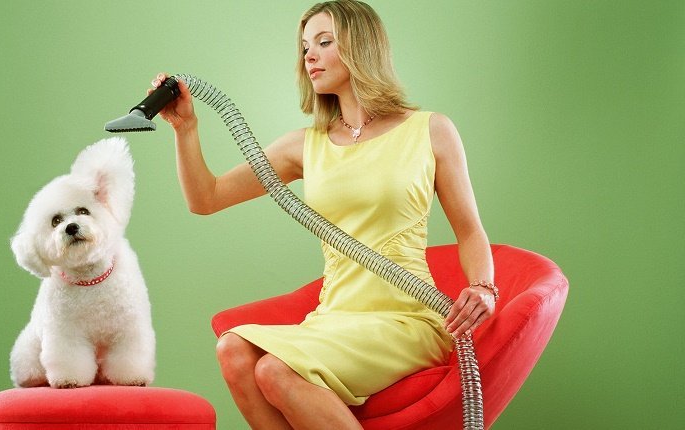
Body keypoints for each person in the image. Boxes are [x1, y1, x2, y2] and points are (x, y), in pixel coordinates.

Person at [151, 1, 496, 428]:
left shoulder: (430, 130)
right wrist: (185, 129)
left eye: (324, 42)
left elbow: (470, 231)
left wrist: (484, 287)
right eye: (304, 47)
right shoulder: (304, 145)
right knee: (235, 351)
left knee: (277, 370)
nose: (309, 55)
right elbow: (207, 198)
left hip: (406, 317)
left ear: (361, 47)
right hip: (335, 318)